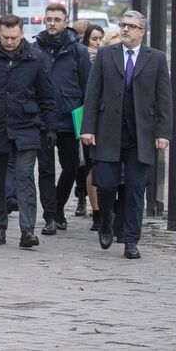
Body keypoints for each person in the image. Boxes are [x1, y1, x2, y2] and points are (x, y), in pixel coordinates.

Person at [81, 10, 172, 259]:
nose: (125, 30)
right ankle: (107, 221)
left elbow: (164, 99)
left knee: (135, 188)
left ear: (142, 31)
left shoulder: (156, 59)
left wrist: (163, 132)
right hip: (108, 132)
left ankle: (131, 240)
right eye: (123, 25)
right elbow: (93, 93)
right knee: (107, 183)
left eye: (131, 26)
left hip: (140, 136)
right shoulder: (106, 56)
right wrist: (87, 127)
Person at [0, 14, 58, 248]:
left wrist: (50, 128)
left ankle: (27, 229)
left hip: (27, 125)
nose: (8, 42)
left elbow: (47, 97)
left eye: (13, 38)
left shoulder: (35, 58)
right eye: (4, 37)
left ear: (22, 33)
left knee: (25, 176)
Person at [33, 2, 92, 235]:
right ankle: (49, 216)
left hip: (69, 118)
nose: (52, 23)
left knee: (70, 167)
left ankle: (58, 206)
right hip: (42, 119)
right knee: (45, 169)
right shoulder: (34, 48)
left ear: (65, 22)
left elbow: (88, 88)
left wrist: (86, 120)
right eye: (49, 19)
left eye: (57, 19)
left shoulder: (79, 51)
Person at [74, 24, 105, 216]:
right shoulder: (82, 57)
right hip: (82, 111)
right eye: (94, 39)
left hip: (102, 116)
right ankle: (82, 196)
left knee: (92, 161)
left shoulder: (108, 57)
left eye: (101, 38)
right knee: (83, 159)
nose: (98, 43)